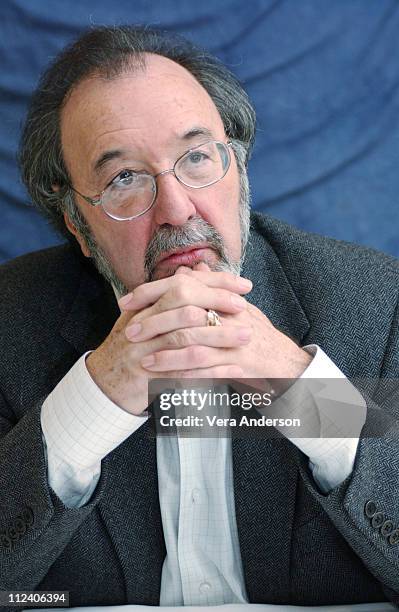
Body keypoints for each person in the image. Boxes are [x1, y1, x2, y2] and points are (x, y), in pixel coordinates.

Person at [0, 25, 399, 608]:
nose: (177, 208)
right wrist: (89, 403)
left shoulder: (377, 302)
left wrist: (305, 391)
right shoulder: (10, 321)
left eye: (196, 158)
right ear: (77, 226)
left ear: (237, 168)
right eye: (124, 180)